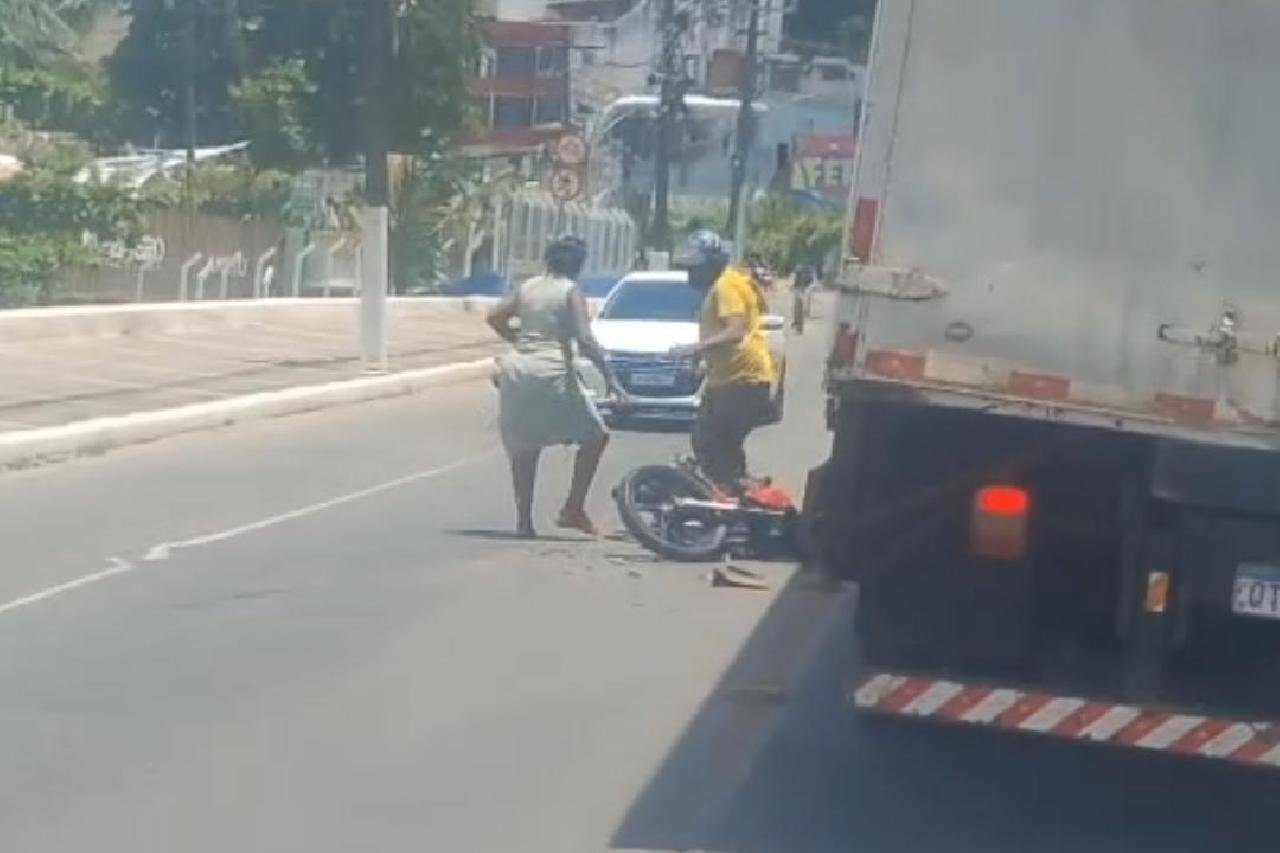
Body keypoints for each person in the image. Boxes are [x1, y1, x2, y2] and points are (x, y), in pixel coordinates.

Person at [487, 235, 625, 538]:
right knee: (595, 436)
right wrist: (612, 381)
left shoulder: (528, 287)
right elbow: (585, 339)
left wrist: (518, 341)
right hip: (553, 373)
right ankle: (572, 508)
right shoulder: (570, 291)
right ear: (578, 264)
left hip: (518, 369)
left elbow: (495, 316)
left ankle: (524, 522)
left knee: (524, 448)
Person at [670, 230, 778, 490]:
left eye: (696, 268)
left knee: (710, 441)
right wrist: (708, 362)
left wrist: (694, 348)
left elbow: (735, 330)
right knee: (723, 445)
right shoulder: (731, 282)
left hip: (740, 379)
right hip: (735, 376)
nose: (690, 274)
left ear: (712, 265)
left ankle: (731, 494)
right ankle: (741, 492)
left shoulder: (725, 287)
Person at [792, 262, 815, 332]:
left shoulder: (799, 269)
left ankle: (798, 326)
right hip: (805, 289)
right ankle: (799, 326)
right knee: (801, 309)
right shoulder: (810, 269)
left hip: (800, 289)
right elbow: (811, 281)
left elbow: (796, 280)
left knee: (798, 308)